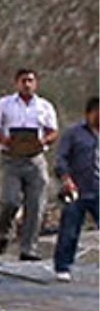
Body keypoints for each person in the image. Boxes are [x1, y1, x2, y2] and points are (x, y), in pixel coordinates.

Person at [0, 68, 59, 259]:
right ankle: (3, 232)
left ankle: (28, 248)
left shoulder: (44, 106)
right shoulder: (4, 104)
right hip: (11, 159)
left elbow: (53, 131)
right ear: (16, 83)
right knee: (10, 201)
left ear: (36, 83)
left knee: (35, 206)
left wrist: (43, 141)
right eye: (23, 80)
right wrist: (4, 140)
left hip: (35, 160)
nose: (27, 84)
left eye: (30, 81)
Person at [52, 97, 100, 282]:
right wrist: (66, 179)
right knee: (70, 230)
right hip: (76, 188)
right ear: (89, 113)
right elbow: (61, 159)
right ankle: (63, 266)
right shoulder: (74, 134)